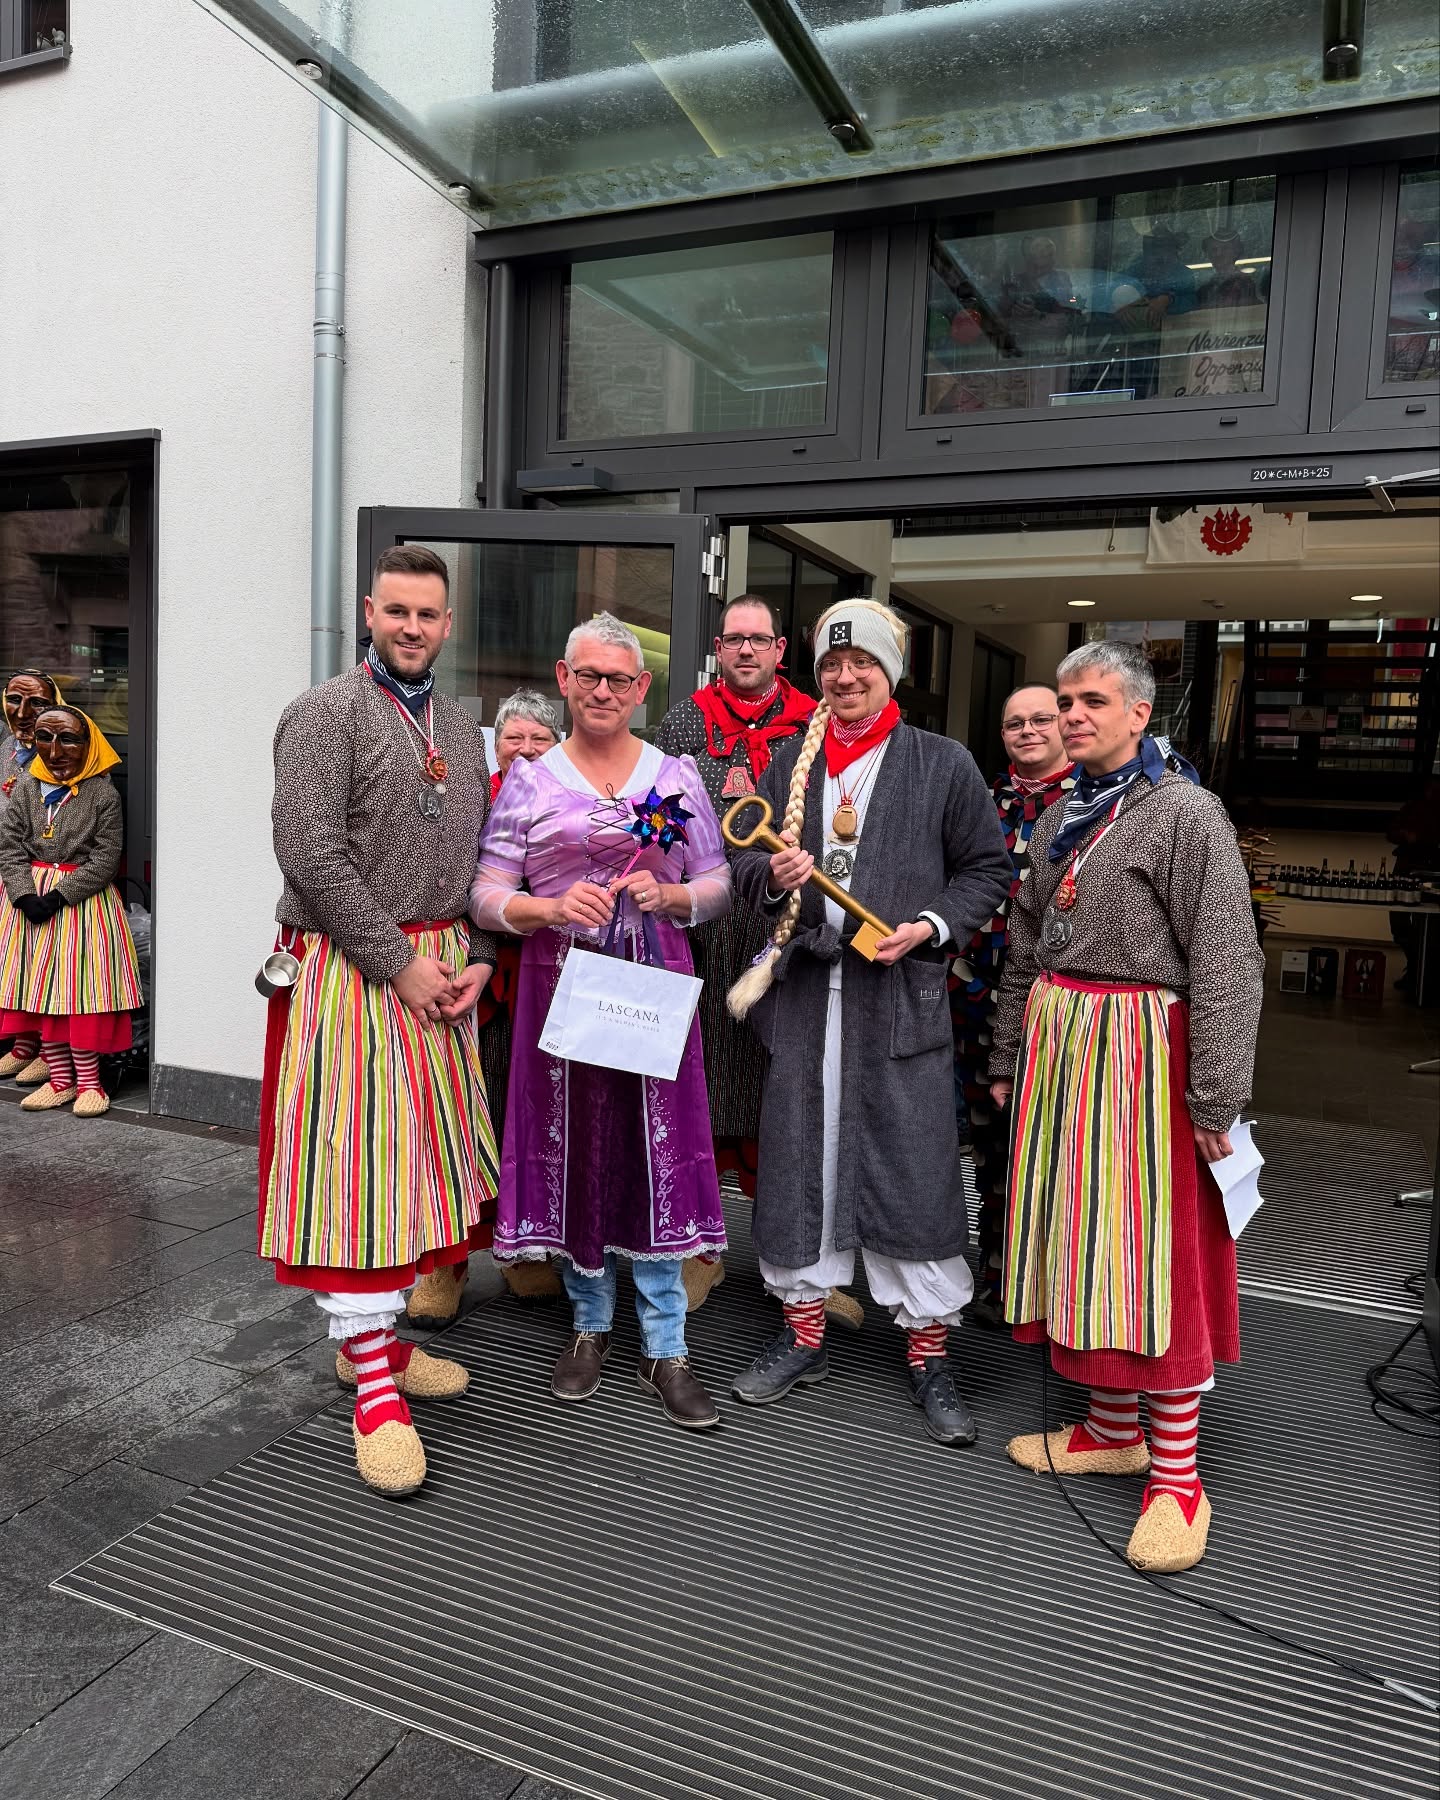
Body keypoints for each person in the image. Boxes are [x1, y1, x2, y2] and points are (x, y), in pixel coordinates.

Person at [989, 640, 1263, 1573]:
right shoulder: (1063, 813)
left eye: (1092, 700)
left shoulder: (1187, 813)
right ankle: (1113, 1430)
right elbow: (1026, 943)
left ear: (1140, 714)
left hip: (1145, 1052)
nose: (1072, 715)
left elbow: (1228, 959)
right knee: (1081, 1239)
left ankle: (1179, 1477)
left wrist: (1216, 1092)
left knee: (1153, 1255)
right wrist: (1007, 1052)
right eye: (1065, 700)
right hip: (1063, 1049)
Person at [728, 599, 1013, 1446]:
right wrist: (776, 879)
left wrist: (928, 925)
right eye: (830, 666)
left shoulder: (942, 763)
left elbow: (987, 868)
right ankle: (804, 1336)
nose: (845, 679)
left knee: (912, 1165)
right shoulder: (790, 763)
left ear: (893, 672)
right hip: (809, 1000)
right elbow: (745, 873)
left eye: (863, 666)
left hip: (899, 1006)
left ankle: (930, 1353)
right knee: (801, 1163)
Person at [260, 543, 499, 1498]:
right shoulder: (325, 712)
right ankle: (373, 1393)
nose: (411, 627)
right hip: (358, 975)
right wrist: (399, 964)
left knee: (418, 1176)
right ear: (370, 611)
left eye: (428, 614)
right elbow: (309, 855)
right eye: (396, 611)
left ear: (448, 622)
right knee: (358, 1177)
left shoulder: (465, 719)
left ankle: (378, 1347)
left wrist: (478, 958)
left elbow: (488, 852)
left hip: (441, 971)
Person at [470, 612, 730, 1430]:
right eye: (590, 676)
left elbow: (717, 881)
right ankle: (588, 1327)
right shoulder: (531, 780)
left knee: (656, 1154)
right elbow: (484, 891)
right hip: (564, 986)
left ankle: (666, 1343)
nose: (605, 691)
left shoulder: (676, 776)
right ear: (564, 679)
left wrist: (675, 894)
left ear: (642, 688)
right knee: (579, 1150)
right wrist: (545, 906)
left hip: (655, 984)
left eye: (620, 678)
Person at [655, 595, 869, 1324]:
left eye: (759, 640)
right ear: (718, 648)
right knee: (706, 1092)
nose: (745, 651)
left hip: (789, 930)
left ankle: (806, 1270)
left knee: (795, 1099)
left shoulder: (819, 718)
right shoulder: (686, 720)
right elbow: (662, 815)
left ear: (782, 650)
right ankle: (699, 1255)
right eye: (732, 640)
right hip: (709, 932)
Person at [406, 687, 566, 1325]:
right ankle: (444, 1266)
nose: (525, 751)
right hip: (477, 979)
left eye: (540, 739)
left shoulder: (572, 798)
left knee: (529, 1118)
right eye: (512, 739)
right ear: (493, 744)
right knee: (463, 1119)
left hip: (552, 978)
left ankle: (521, 1251)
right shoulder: (468, 796)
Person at [950, 686, 1075, 1323]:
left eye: (1040, 720)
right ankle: (983, 1279)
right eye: (1013, 723)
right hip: (971, 1003)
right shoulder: (982, 799)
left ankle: (1042, 1289)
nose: (1027, 731)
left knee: (1045, 1152)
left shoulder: (1092, 803)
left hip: (1053, 1008)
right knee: (984, 1149)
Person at [0, 705, 142, 1115]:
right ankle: (60, 1080)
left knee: (80, 995)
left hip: (81, 906)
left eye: (68, 739)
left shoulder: (102, 793)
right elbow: (10, 845)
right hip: (28, 905)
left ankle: (91, 1085)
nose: (55, 749)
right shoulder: (27, 786)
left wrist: (60, 896)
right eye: (45, 737)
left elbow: (105, 857)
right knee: (41, 992)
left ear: (88, 743)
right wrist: (24, 894)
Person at [0, 668, 62, 1082]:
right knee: (13, 962)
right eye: (13, 699)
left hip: (39, 874)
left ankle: (46, 1048)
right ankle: (22, 1044)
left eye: (36, 702)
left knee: (43, 962)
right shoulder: (7, 746)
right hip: (6, 869)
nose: (22, 712)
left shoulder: (61, 751)